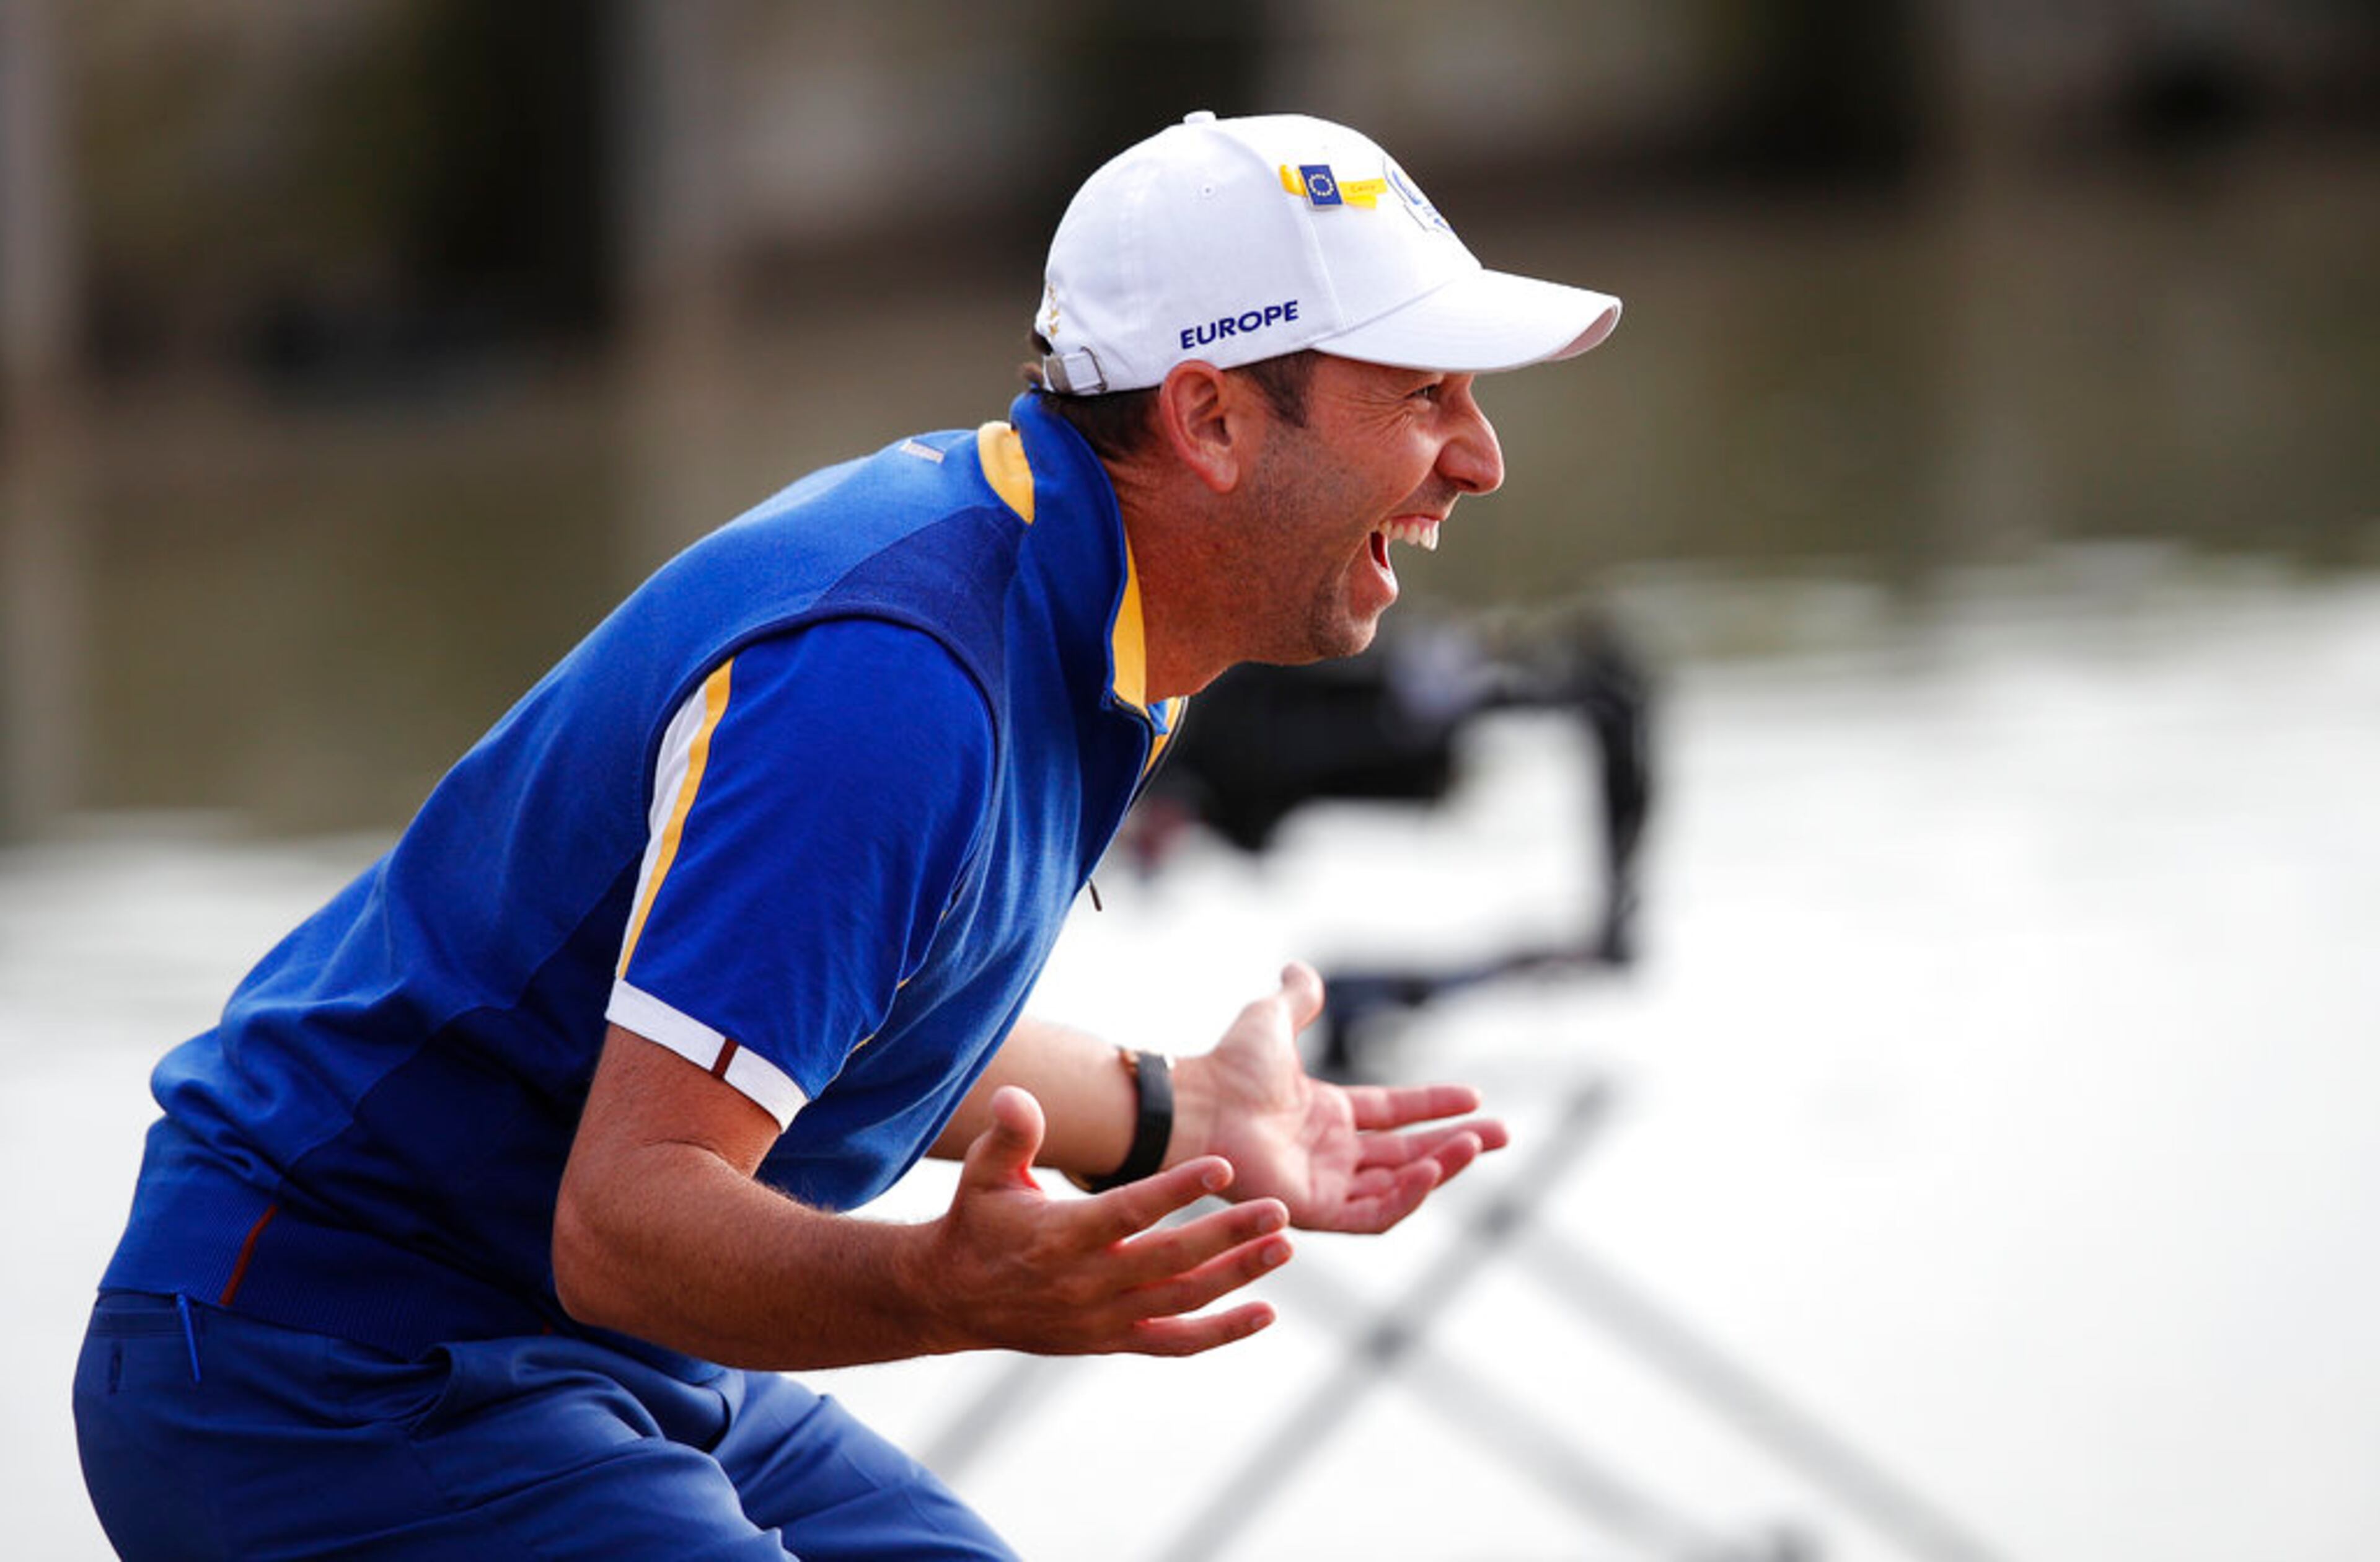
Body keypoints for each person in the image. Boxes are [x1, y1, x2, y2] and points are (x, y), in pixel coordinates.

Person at [74, 110, 1621, 1560]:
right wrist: (946, 1288)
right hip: (321, 1361)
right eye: (1424, 395)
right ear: (1209, 417)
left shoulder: (1080, 606)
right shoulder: (897, 685)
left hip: (571, 1344)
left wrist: (1177, 1116)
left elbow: (831, 1009)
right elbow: (628, 1219)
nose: (1480, 459)